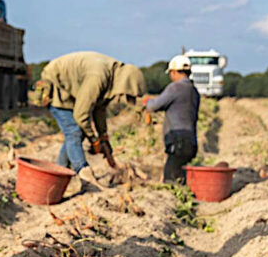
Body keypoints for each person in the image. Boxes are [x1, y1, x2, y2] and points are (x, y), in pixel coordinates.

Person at [35, 51, 145, 187]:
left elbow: (99, 109)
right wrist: (94, 140)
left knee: (75, 135)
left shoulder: (112, 77)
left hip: (70, 91)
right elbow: (81, 115)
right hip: (57, 85)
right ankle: (83, 173)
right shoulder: (98, 77)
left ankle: (59, 174)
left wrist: (103, 137)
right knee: (74, 132)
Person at [145, 55, 200, 183]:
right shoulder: (193, 91)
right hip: (190, 140)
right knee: (180, 176)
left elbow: (154, 106)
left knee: (171, 179)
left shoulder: (175, 88)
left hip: (178, 141)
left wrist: (147, 103)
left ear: (174, 72)